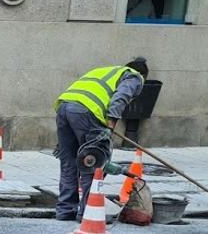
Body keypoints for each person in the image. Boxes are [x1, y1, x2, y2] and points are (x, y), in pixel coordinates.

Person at [54, 58, 149, 221]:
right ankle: (88, 213)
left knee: (69, 162)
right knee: (94, 162)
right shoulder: (134, 76)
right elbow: (122, 96)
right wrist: (110, 124)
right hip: (86, 112)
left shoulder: (102, 71)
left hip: (63, 108)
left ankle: (65, 211)